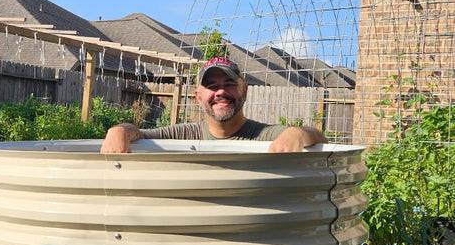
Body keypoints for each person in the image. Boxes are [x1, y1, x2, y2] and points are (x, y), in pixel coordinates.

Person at [100, 56, 327, 153]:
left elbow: (318, 137)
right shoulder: (184, 134)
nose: (220, 92)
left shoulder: (264, 135)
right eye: (211, 86)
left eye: (229, 83)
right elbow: (140, 134)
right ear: (198, 96)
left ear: (244, 90)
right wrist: (119, 130)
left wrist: (299, 133)